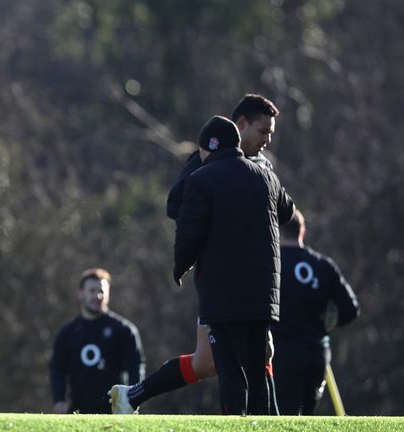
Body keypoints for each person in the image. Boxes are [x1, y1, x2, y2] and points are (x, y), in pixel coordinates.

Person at [109, 94, 283, 413]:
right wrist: (215, 230)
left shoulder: (261, 167)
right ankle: (268, 419)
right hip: (221, 276)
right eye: (263, 131)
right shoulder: (207, 161)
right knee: (223, 359)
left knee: (215, 361)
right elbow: (178, 205)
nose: (267, 139)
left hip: (248, 277)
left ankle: (132, 396)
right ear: (240, 125)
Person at [272, 209, 360, 415]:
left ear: (277, 231)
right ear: (301, 232)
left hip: (283, 353)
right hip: (316, 352)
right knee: (307, 417)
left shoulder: (271, 266)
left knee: (282, 417)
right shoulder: (323, 265)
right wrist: (326, 325)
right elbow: (350, 309)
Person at [49, 268, 146, 414]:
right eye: (92, 291)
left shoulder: (124, 330)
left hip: (114, 411)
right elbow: (57, 369)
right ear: (80, 294)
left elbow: (136, 368)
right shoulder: (67, 333)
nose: (97, 295)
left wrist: (134, 400)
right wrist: (59, 400)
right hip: (77, 410)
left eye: (101, 291)